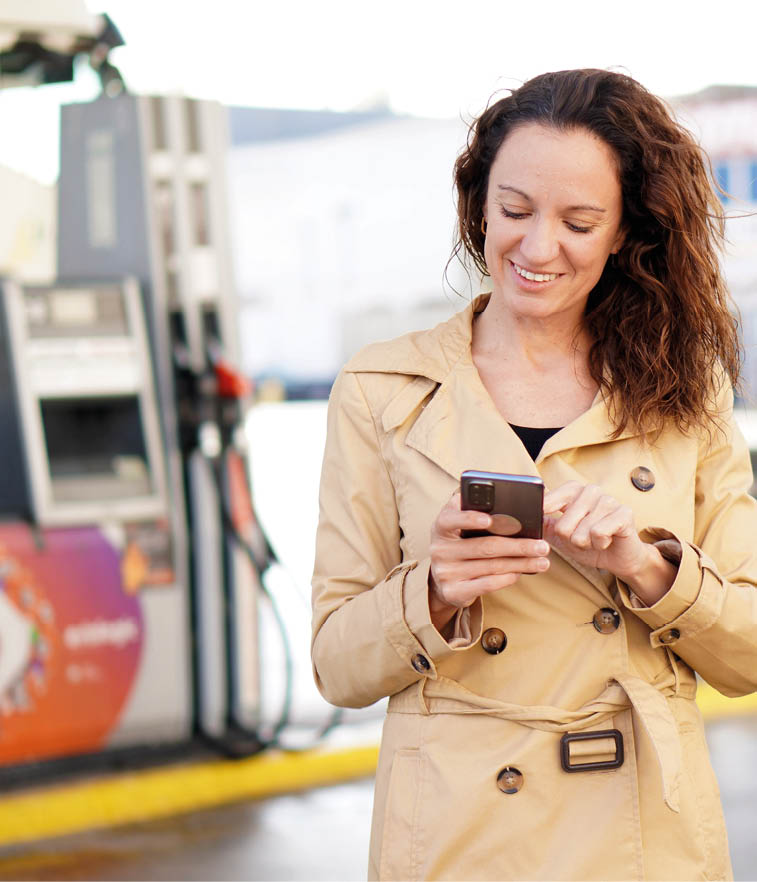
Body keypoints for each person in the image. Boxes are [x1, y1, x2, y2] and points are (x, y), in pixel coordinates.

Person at [311, 68, 757, 881]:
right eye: (514, 210)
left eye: (578, 221)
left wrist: (641, 564)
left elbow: (749, 653)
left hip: (640, 833)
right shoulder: (382, 391)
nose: (536, 246)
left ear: (624, 230)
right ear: (479, 202)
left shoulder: (683, 388)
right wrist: (435, 590)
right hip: (455, 828)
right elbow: (336, 666)